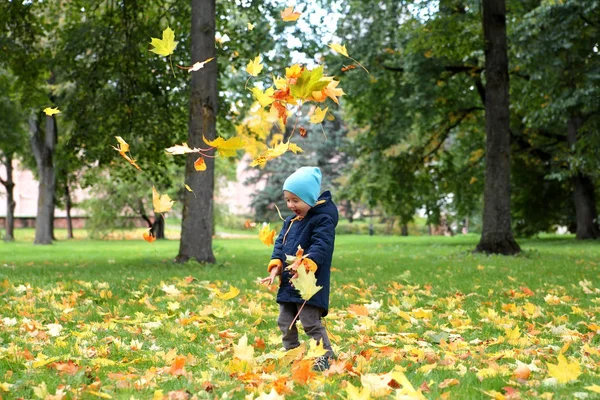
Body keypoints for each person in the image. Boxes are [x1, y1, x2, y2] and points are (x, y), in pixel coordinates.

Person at [260, 166, 338, 371]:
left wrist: (305, 265)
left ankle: (326, 357)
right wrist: (275, 266)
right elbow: (279, 244)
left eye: (296, 200)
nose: (290, 205)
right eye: (287, 200)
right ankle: (292, 353)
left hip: (308, 282)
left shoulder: (322, 220)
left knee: (310, 322)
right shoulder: (290, 221)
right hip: (288, 283)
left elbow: (322, 245)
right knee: (284, 322)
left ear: (310, 198)